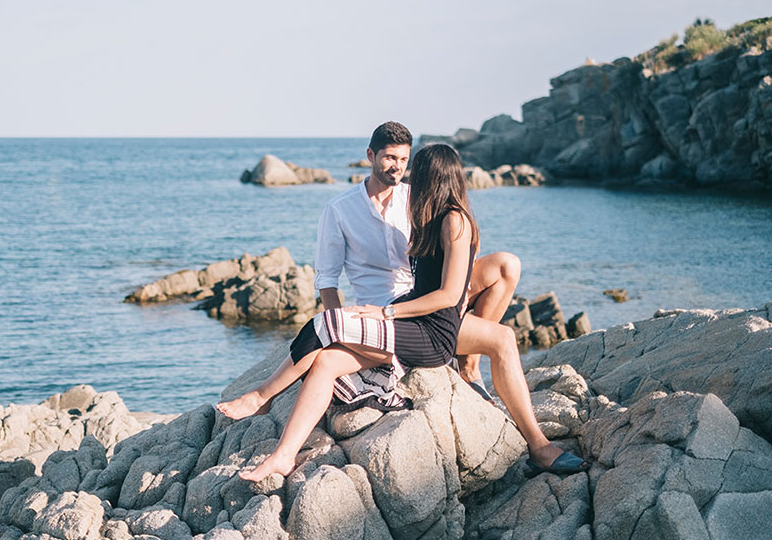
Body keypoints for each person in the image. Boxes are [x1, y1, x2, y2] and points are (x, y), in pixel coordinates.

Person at [217, 141, 589, 482]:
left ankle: (261, 397)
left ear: (430, 177)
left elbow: (445, 293)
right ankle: (284, 455)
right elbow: (428, 283)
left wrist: (388, 314)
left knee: (328, 322)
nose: (404, 174)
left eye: (412, 169)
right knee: (327, 362)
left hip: (426, 328)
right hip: (413, 317)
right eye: (398, 163)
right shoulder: (423, 213)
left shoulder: (452, 220)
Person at [313, 122, 517, 402]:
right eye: (390, 158)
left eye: (404, 160)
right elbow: (327, 279)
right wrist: (340, 334)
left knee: (506, 265)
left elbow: (459, 239)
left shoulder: (418, 197)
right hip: (383, 305)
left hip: (427, 295)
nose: (397, 166)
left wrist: (456, 282)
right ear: (370, 155)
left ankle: (468, 364)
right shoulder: (339, 209)